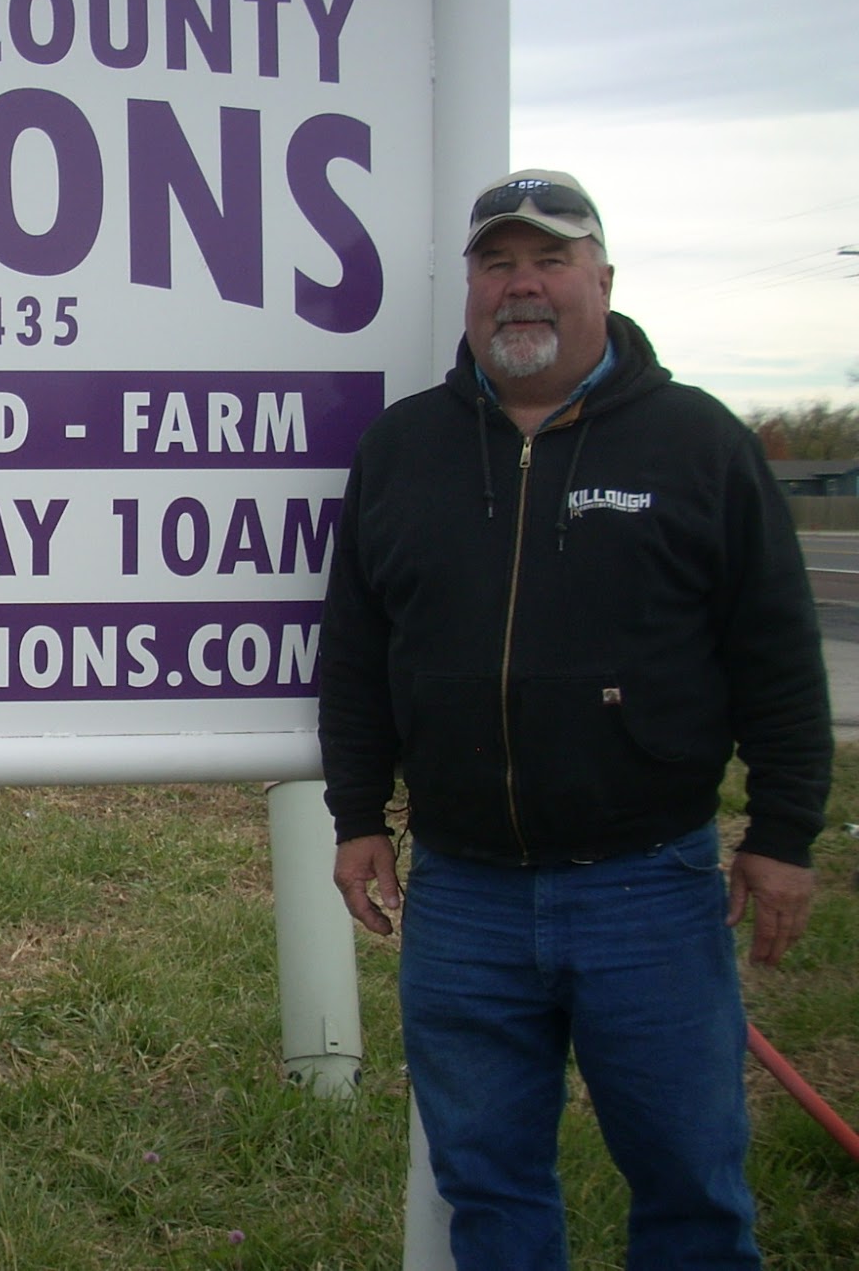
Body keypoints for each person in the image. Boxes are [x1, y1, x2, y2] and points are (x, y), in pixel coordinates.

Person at [316, 169, 832, 1269]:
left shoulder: (697, 444)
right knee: (488, 1188)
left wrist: (784, 834)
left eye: (549, 260)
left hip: (648, 889)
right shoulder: (403, 449)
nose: (522, 285)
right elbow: (355, 654)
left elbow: (779, 658)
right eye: (497, 263)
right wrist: (356, 815)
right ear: (469, 288)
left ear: (601, 279)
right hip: (461, 895)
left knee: (691, 1186)